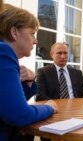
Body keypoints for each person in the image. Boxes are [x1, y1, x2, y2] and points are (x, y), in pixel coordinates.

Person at [0, 4, 58, 141]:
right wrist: (49, 107)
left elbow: (7, 105)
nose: (36, 41)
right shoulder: (4, 52)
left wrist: (29, 82)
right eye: (32, 33)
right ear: (14, 32)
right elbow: (19, 115)